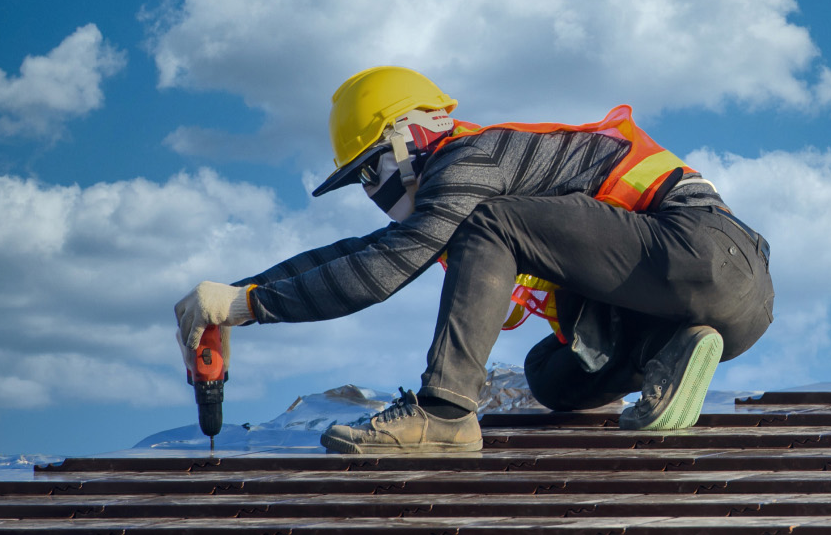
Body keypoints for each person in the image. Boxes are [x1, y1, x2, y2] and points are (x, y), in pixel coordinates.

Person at [172, 66, 775, 454]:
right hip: (719, 299)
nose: (372, 192)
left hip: (705, 250)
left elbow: (387, 265)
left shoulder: (470, 160)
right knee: (553, 375)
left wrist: (252, 306)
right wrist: (236, 295)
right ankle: (669, 352)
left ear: (409, 138)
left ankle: (444, 412)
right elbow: (363, 253)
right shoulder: (472, 171)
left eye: (368, 171)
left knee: (493, 223)